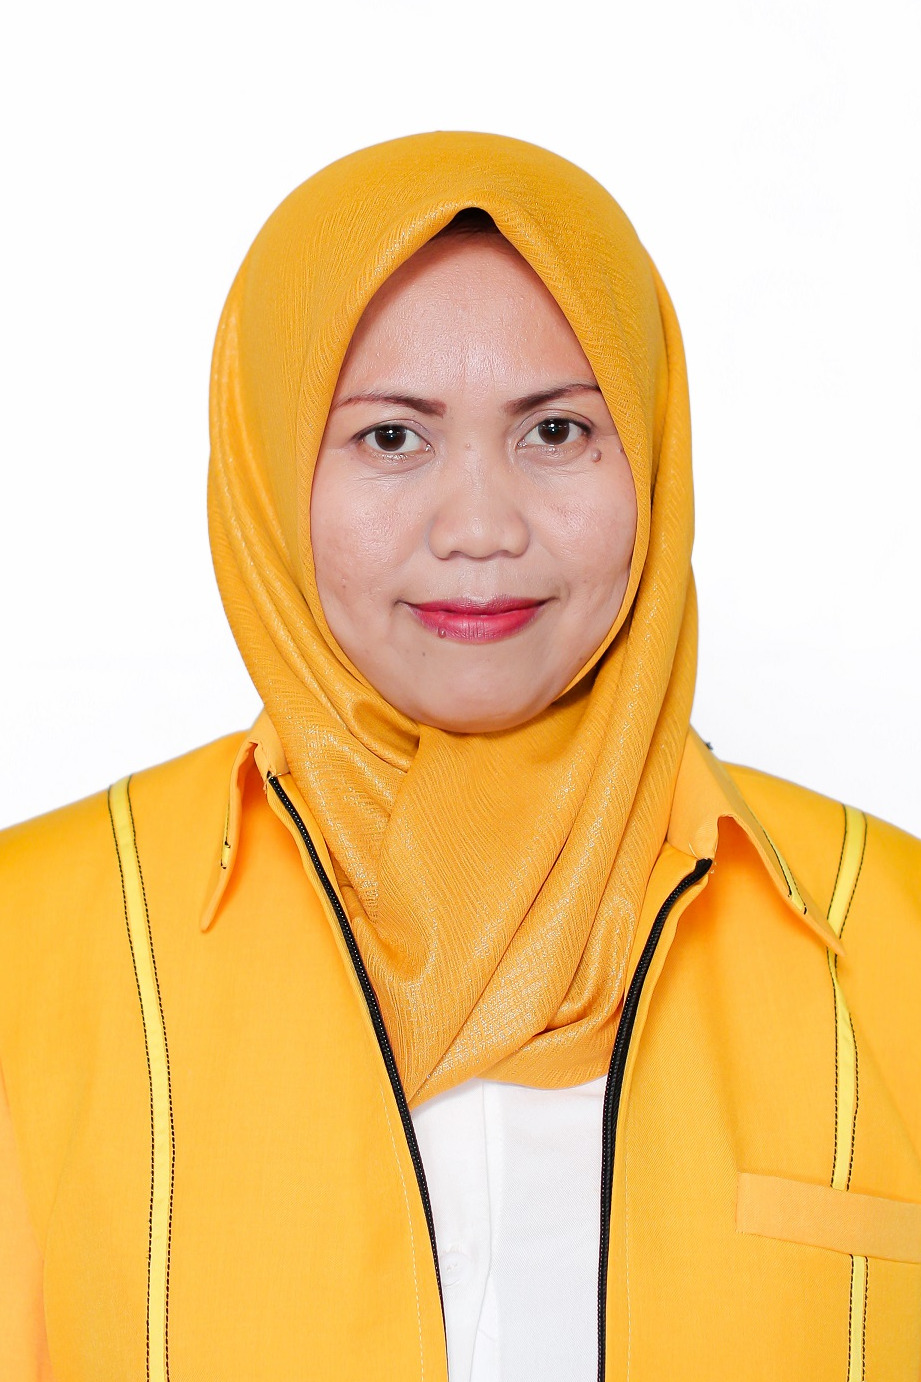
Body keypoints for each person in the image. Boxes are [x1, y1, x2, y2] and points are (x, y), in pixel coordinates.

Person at [1, 130, 919, 1382]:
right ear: (270, 467)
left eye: (557, 430)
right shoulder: (34, 943)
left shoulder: (895, 935)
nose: (480, 527)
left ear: (652, 455)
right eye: (392, 437)